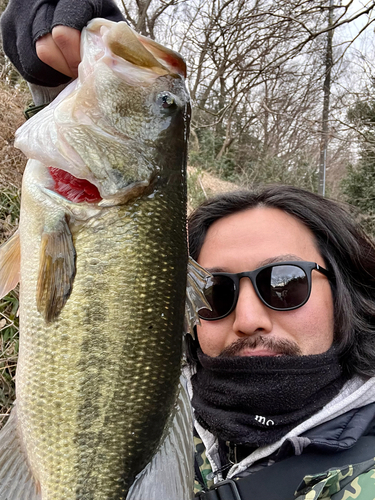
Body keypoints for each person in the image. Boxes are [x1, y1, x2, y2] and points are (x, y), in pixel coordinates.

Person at [3, 2, 375, 499]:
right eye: (216, 292)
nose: (247, 319)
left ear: (345, 295)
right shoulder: (169, 430)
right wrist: (55, 88)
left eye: (285, 283)